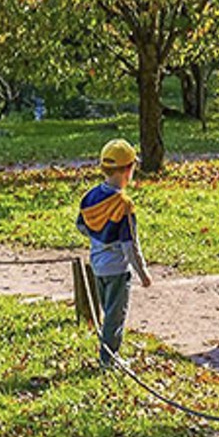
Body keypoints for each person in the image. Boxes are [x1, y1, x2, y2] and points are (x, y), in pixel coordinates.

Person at [76, 138, 152, 368]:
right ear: (128, 170)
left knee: (107, 311)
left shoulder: (90, 197)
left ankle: (108, 355)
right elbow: (130, 246)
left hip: (97, 265)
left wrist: (101, 239)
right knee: (115, 316)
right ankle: (109, 360)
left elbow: (81, 226)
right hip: (118, 270)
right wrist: (143, 273)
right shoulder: (123, 205)